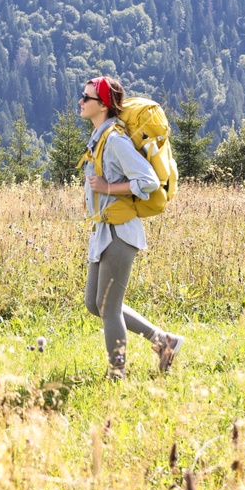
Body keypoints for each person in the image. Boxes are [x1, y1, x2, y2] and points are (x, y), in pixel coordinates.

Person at [79, 75, 185, 378]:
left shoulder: (114, 140)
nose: (81, 102)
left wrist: (108, 189)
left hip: (120, 232)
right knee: (94, 303)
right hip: (104, 231)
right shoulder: (101, 138)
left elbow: (148, 181)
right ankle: (165, 341)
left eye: (86, 98)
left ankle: (117, 375)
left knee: (109, 308)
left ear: (103, 105)